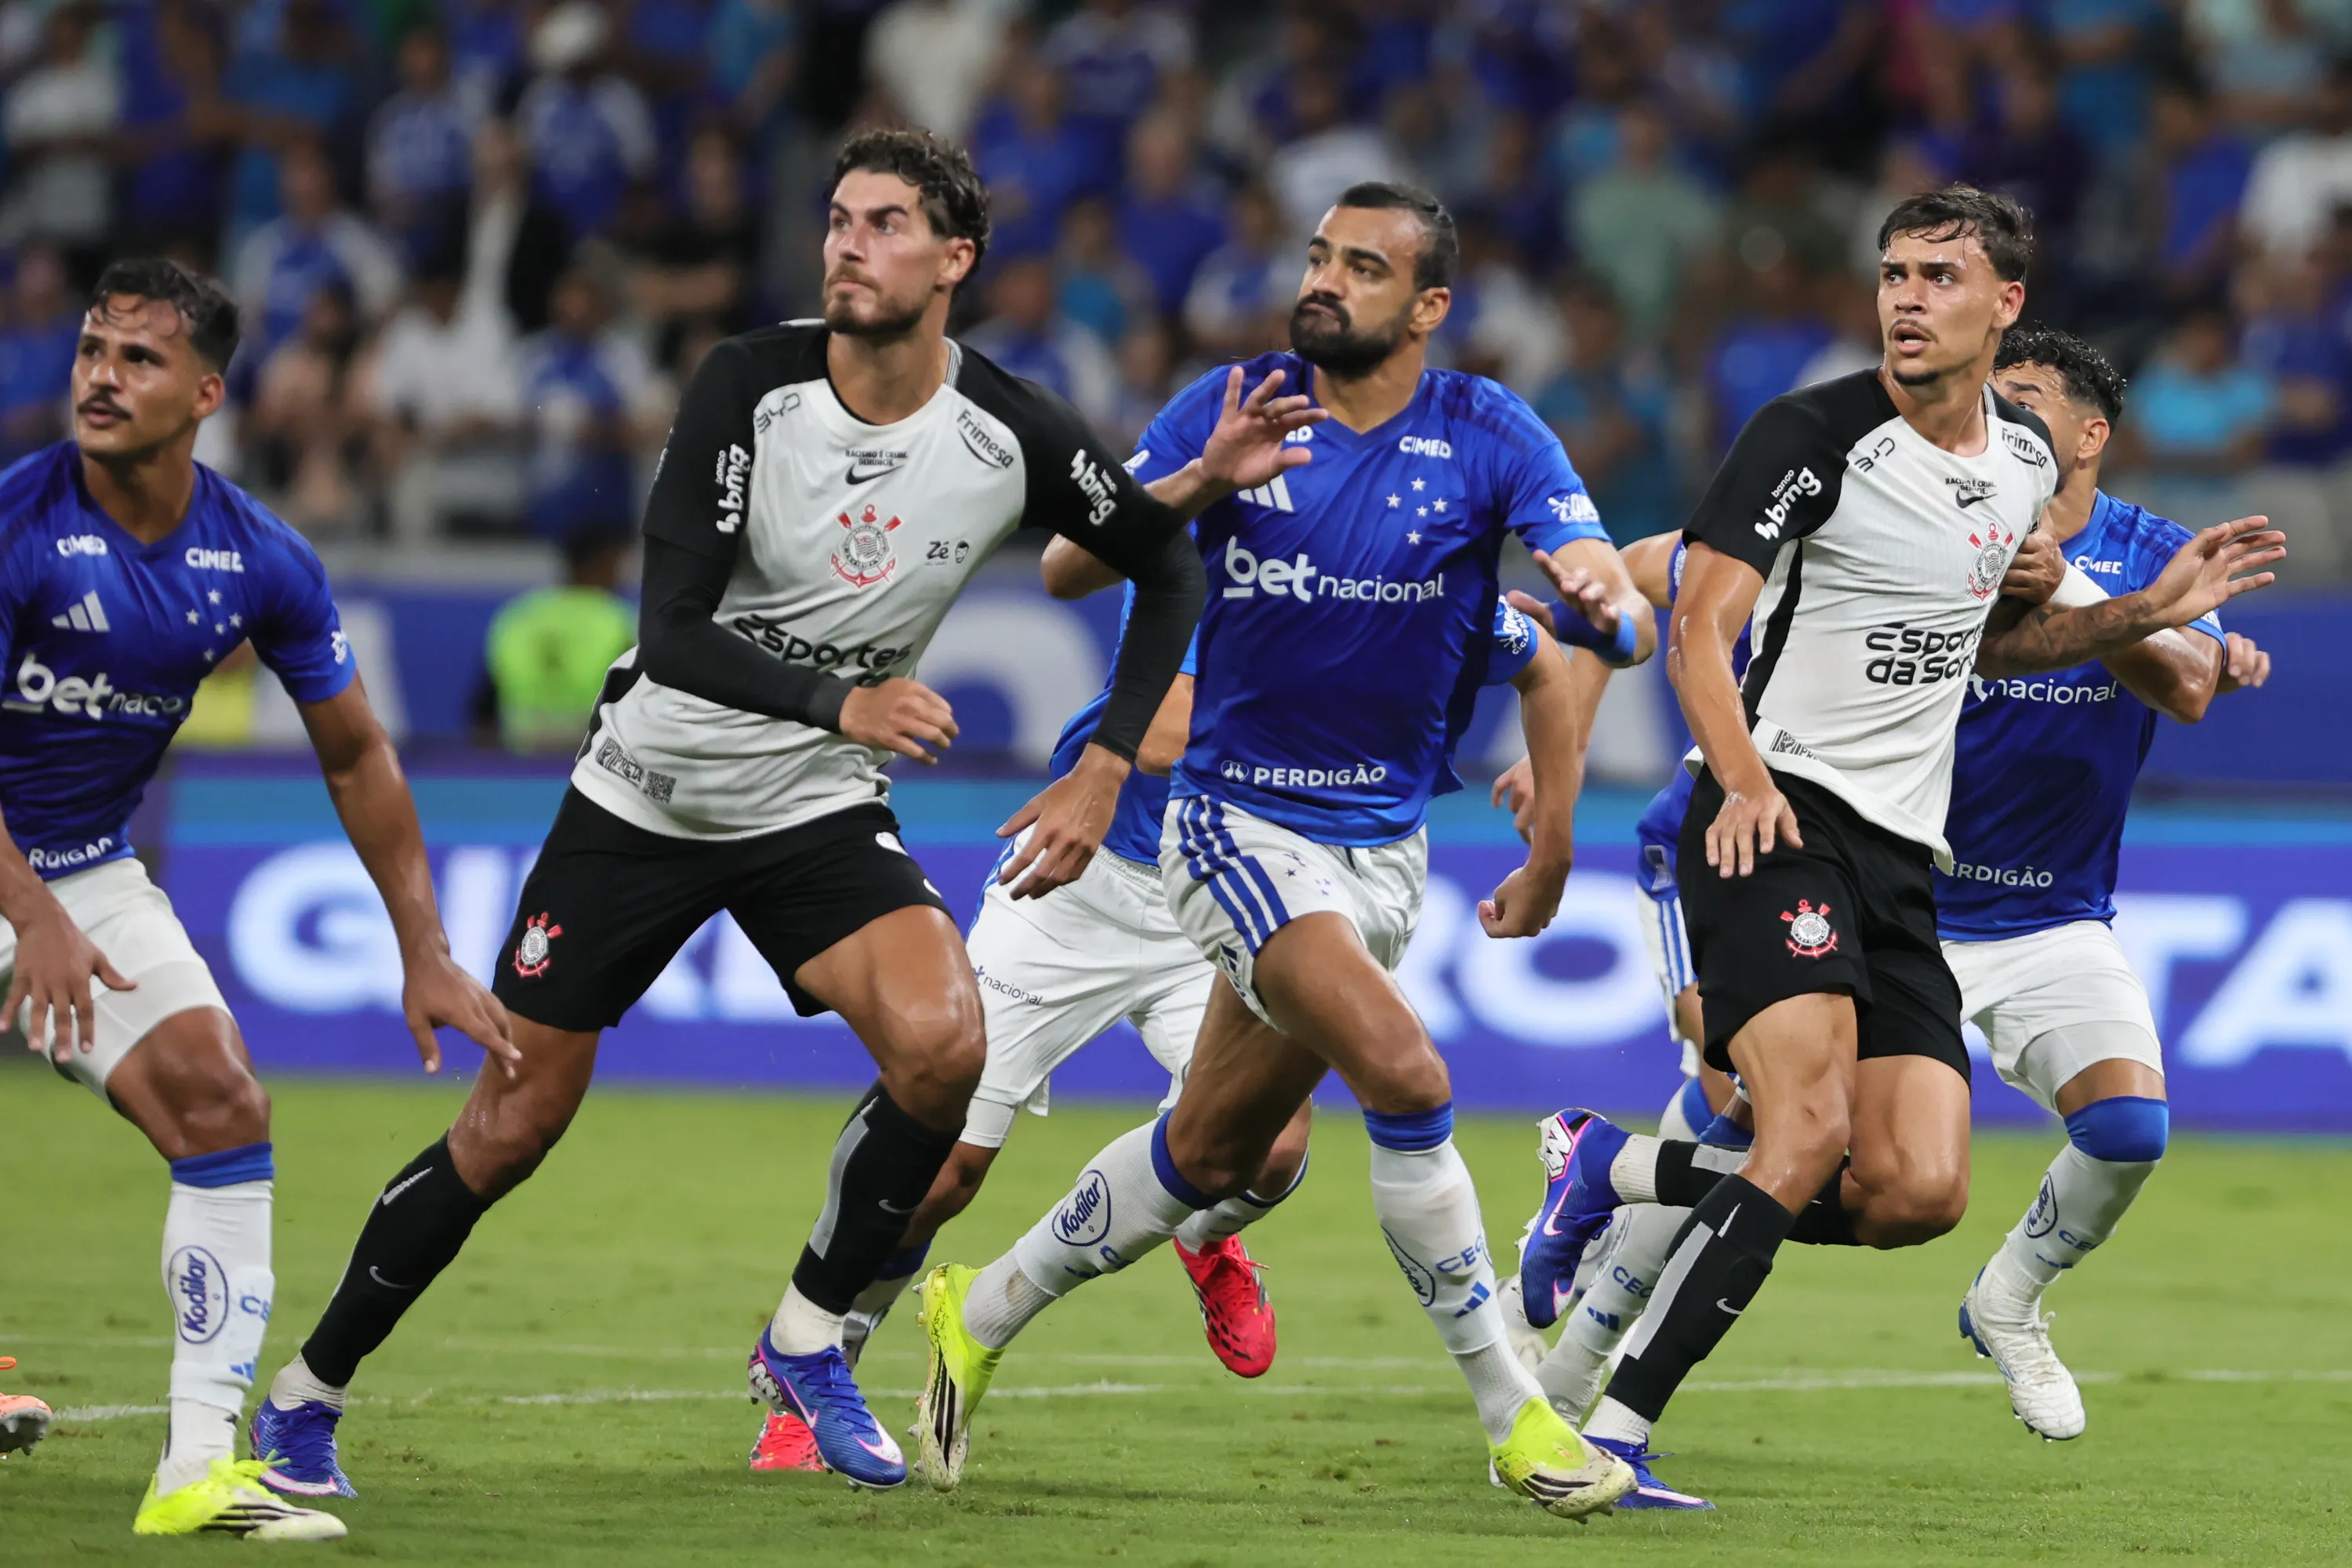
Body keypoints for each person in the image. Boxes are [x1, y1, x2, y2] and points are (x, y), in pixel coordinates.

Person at [249, 126, 1311, 1497]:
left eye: (883, 224)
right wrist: (842, 702)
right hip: (649, 794)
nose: (847, 246)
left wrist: (1106, 764)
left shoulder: (1010, 428)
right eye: (837, 221)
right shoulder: (748, 383)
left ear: (954, 259)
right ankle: (307, 1392)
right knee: (512, 1126)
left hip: (812, 807)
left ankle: (810, 1336)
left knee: (944, 1044)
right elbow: (673, 628)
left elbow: (1163, 569)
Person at [1513, 187, 2286, 1508]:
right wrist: (1734, 778)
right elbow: (1698, 625)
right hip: (1778, 816)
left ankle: (1614, 1165)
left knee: (1913, 1192)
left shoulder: (2020, 466)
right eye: (1893, 274)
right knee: (1802, 1131)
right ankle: (1614, 1437)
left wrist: (2143, 610)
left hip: (1903, 862)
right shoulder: (1809, 436)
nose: (1908, 299)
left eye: (1939, 275)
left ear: (2006, 303)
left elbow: (2001, 648)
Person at [913, 180, 1660, 1522]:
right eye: (1319, 256)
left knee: (1209, 1153)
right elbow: (1072, 567)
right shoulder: (1238, 402)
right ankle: (1518, 1418)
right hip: (1233, 827)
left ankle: (981, 1308)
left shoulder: (1488, 431)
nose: (1324, 279)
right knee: (1407, 1075)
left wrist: (1555, 823)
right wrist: (1208, 474)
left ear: (1428, 306)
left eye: (1363, 266)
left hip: (1381, 853)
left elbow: (1580, 620)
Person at [751, 577, 1570, 1474]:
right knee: (941, 1170)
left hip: (1231, 888)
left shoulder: (1410, 579)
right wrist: (1359, 673)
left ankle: (1204, 1234)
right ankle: (820, 1363)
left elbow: (1566, 648)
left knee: (1270, 1150)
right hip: (1082, 882)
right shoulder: (1235, 554)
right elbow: (1163, 721)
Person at [0, 259, 512, 1538]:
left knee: (223, 1103)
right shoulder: (16, 524)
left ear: (207, 393)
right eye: (92, 351)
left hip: (79, 867)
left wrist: (424, 948)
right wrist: (34, 919)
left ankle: (196, 1473)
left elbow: (357, 753)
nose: (102, 377)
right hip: (27, 880)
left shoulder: (258, 557)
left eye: (139, 358)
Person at [1947, 326, 2272, 1439]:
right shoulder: (1940, 525)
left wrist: (2071, 582)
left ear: (2090, 435)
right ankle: (1600, 1227)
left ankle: (2007, 1301)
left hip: (2050, 916)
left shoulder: (2154, 549)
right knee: (1780, 1145)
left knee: (2130, 1129)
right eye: (1991, 394)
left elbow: (2188, 687)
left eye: (2026, 395)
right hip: (1897, 902)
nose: (1999, 410)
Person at [480, 527, 637, 752]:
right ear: (603, 562)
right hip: (594, 751)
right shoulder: (619, 620)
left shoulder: (518, 616)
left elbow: (484, 706)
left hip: (522, 750)